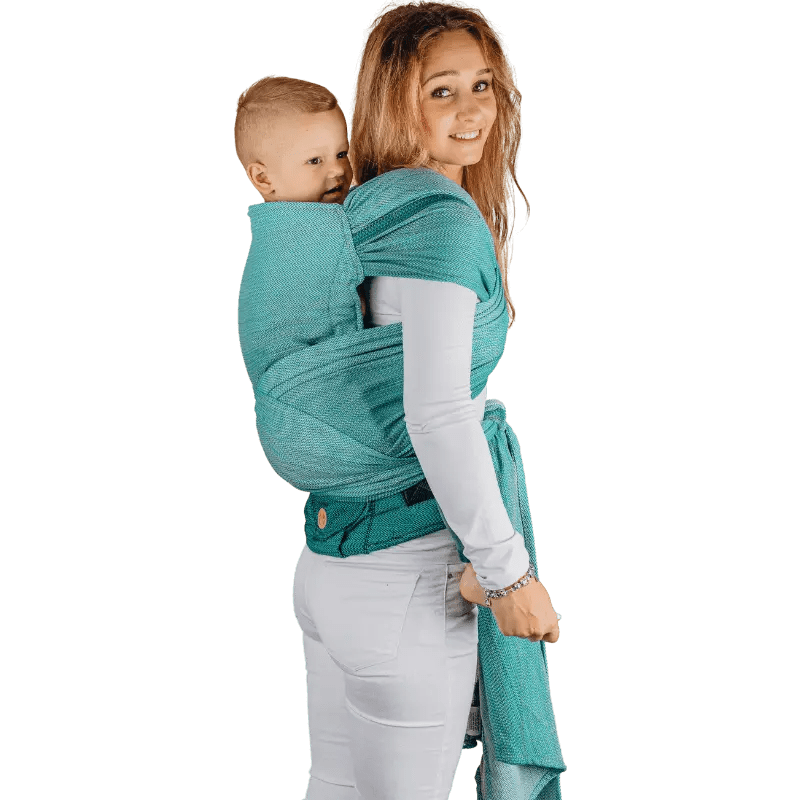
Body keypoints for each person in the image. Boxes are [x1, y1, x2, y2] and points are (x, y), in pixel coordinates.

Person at [235, 3, 566, 798]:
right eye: (441, 90)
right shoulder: (440, 225)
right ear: (394, 99)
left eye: (482, 85)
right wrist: (508, 573)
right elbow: (439, 414)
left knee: (332, 788)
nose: (473, 109)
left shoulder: (364, 205)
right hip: (408, 581)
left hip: (329, 568)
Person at [233, 74, 368, 321]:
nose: (337, 170)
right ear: (263, 178)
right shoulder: (293, 241)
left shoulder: (325, 217)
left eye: (341, 154)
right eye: (315, 160)